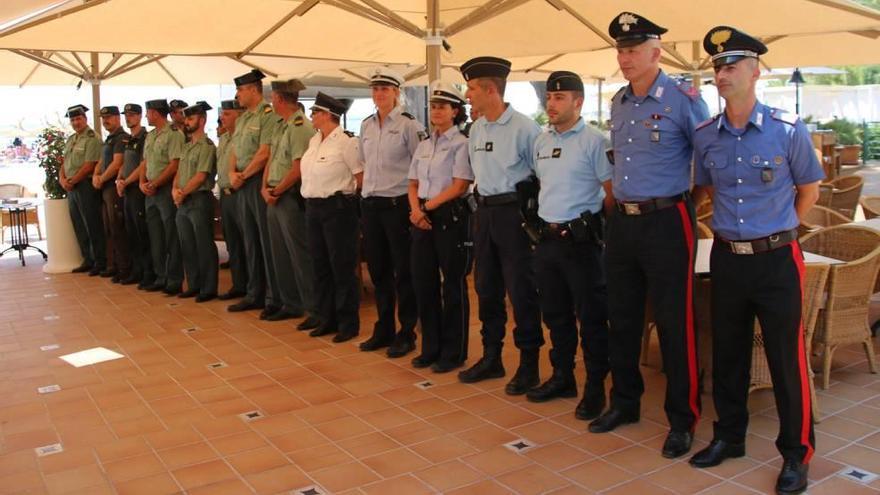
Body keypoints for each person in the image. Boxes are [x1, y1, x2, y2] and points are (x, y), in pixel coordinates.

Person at [688, 27, 822, 495]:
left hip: (776, 261)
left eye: (730, 66)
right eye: (716, 67)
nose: (721, 75)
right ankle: (729, 437)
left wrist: (782, 228)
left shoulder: (788, 129)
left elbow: (809, 189)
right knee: (728, 354)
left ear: (755, 71)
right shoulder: (707, 136)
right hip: (728, 259)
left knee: (786, 360)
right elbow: (704, 191)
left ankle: (796, 454)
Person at [589, 12, 709, 462]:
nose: (625, 58)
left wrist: (684, 204)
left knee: (676, 323)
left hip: (667, 219)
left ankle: (683, 419)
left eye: (634, 49)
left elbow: (707, 161)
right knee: (621, 317)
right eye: (620, 49)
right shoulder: (619, 101)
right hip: (623, 221)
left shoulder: (683, 98)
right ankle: (625, 402)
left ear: (656, 52)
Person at [525, 71, 611, 422]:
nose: (552, 104)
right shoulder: (542, 142)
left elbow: (611, 194)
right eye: (549, 98)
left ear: (578, 102)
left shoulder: (594, 141)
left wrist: (598, 232)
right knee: (555, 314)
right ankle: (562, 377)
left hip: (581, 243)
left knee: (591, 318)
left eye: (560, 98)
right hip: (547, 241)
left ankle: (594, 386)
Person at [457, 56, 544, 396]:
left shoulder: (525, 128)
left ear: (490, 90)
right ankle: (492, 356)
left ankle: (529, 364)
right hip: (484, 213)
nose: (468, 95)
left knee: (521, 290)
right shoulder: (476, 128)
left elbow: (540, 175)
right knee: (486, 287)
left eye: (472, 88)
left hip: (514, 213)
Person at [407, 81, 473, 373]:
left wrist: (426, 208)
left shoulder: (462, 144)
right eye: (433, 106)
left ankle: (453, 351)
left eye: (442, 107)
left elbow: (460, 186)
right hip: (421, 216)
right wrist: (415, 210)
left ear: (455, 111)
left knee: (453, 285)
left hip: (449, 217)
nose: (436, 111)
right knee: (424, 284)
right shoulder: (423, 145)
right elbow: (412, 183)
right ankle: (430, 347)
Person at [357, 68, 423, 358]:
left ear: (397, 92)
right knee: (379, 270)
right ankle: (383, 327)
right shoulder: (366, 125)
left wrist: (416, 207)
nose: (379, 93)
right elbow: (363, 163)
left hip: (397, 205)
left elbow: (421, 167)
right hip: (371, 205)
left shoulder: (409, 125)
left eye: (385, 88)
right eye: (376, 88)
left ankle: (407, 331)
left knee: (403, 271)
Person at [300, 92, 363, 342]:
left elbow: (360, 178)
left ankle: (348, 323)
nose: (312, 116)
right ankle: (326, 318)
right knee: (320, 266)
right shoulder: (314, 141)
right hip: (313, 207)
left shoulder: (347, 142)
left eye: (315, 112)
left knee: (342, 267)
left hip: (338, 209)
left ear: (327, 115)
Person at [263, 79, 321, 328]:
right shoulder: (281, 126)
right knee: (280, 254)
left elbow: (298, 168)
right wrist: (264, 187)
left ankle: (313, 307)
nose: (271, 101)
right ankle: (290, 303)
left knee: (300, 254)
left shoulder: (300, 127)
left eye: (272, 97)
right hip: (274, 194)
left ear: (279, 99)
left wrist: (276, 190)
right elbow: (271, 159)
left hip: (289, 196)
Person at [227, 69, 282, 319]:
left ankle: (273, 296)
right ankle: (254, 293)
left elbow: (264, 152)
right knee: (249, 239)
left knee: (265, 241)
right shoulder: (242, 120)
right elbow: (234, 151)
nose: (237, 94)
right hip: (240, 183)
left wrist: (244, 175)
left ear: (253, 89)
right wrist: (231, 173)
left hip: (256, 181)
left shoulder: (268, 116)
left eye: (240, 89)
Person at [173, 101, 219, 303]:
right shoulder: (187, 146)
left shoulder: (207, 146)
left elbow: (201, 176)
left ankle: (208, 288)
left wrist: (182, 192)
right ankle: (194, 284)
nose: (187, 122)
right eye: (186, 119)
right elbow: (179, 172)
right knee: (187, 245)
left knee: (203, 245)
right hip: (183, 200)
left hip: (199, 199)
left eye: (191, 119)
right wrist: (175, 190)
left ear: (202, 120)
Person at [140, 98, 185, 295]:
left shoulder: (174, 134)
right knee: (155, 236)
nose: (146, 116)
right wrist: (142, 182)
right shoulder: (150, 136)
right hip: (149, 191)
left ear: (155, 113)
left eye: (148, 112)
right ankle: (161, 276)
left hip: (165, 189)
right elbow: (145, 162)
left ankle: (174, 278)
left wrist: (156, 183)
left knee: (170, 235)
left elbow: (175, 164)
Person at [61, 104, 106, 276]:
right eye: (73, 120)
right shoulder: (72, 139)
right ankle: (87, 259)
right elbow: (64, 163)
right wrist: (63, 179)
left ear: (85, 119)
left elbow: (89, 165)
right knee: (79, 225)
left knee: (92, 224)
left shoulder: (92, 137)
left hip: (85, 186)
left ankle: (100, 261)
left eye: (78, 119)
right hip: (71, 187)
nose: (76, 122)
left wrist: (72, 181)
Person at [116, 103, 153, 287]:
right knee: (131, 233)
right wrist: (119, 179)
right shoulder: (129, 138)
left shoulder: (145, 137)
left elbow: (142, 165)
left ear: (139, 116)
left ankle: (148, 272)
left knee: (141, 234)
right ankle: (137, 270)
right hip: (127, 189)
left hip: (137, 189)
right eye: (126, 115)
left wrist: (127, 181)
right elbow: (124, 162)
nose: (128, 118)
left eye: (131, 115)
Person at [93, 106, 131, 281]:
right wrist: (96, 174)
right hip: (105, 188)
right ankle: (114, 265)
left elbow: (117, 164)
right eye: (103, 118)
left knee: (118, 228)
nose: (105, 120)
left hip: (114, 188)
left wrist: (101, 178)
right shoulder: (109, 139)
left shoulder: (122, 138)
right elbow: (102, 160)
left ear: (118, 118)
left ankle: (124, 268)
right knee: (109, 228)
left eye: (109, 117)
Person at [216, 99, 248, 300]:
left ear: (239, 115)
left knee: (247, 242)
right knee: (233, 243)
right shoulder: (224, 138)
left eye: (227, 114)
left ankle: (252, 286)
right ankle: (239, 284)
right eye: (222, 114)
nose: (222, 118)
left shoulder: (242, 137)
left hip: (240, 194)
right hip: (225, 195)